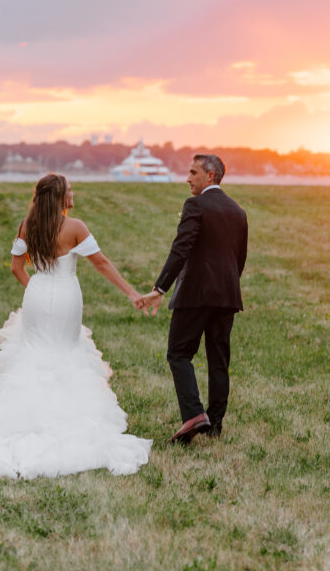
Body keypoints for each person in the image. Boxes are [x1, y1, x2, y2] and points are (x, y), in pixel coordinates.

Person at [0, 173, 151, 478]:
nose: (74, 193)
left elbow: (16, 268)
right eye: (70, 190)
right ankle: (66, 419)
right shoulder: (75, 227)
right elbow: (100, 262)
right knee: (64, 351)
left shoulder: (28, 225)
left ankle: (24, 419)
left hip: (36, 294)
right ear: (60, 196)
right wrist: (132, 293)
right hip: (64, 296)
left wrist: (34, 288)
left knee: (34, 354)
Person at [136, 154, 248, 443]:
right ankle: (215, 426)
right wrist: (227, 286)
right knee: (218, 360)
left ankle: (194, 415)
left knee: (178, 353)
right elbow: (239, 260)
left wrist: (160, 288)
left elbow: (180, 249)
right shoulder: (238, 211)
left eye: (193, 172)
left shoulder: (195, 205)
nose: (188, 178)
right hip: (227, 295)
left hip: (196, 294)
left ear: (210, 176)